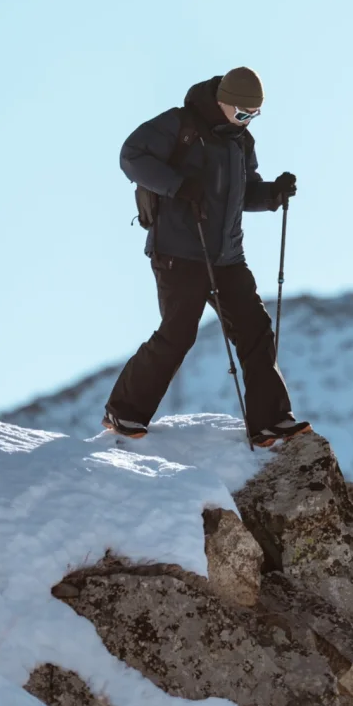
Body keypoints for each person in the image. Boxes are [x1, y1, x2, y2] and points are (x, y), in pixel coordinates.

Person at [104, 66, 310, 448]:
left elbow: (244, 193)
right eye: (244, 113)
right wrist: (179, 185)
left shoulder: (241, 142)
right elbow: (130, 156)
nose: (249, 121)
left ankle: (270, 421)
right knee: (178, 334)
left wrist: (272, 195)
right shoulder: (180, 125)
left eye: (255, 115)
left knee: (255, 330)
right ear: (223, 102)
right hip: (179, 252)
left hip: (227, 256)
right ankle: (123, 410)